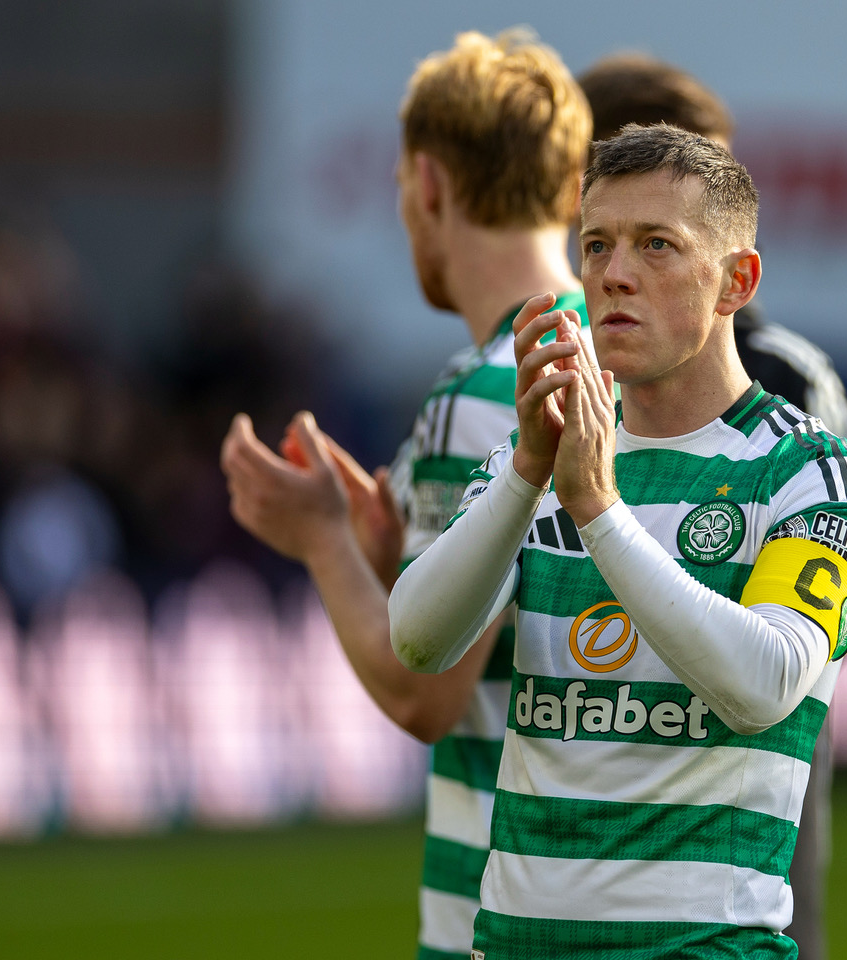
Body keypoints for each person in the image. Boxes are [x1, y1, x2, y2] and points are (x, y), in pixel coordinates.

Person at [391, 124, 847, 959]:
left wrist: (597, 511)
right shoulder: (534, 455)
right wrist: (525, 476)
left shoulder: (809, 474)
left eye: (656, 244)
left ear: (736, 280)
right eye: (597, 244)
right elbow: (419, 640)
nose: (614, 273)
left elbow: (763, 685)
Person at [219, 30, 591, 960]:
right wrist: (395, 561)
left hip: (498, 912)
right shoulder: (623, 362)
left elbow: (425, 689)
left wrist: (324, 545)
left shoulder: (483, 392)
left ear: (428, 184)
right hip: (622, 892)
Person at [577, 52, 847, 957]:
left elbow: (807, 607)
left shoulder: (788, 384)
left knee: (769, 910)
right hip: (592, 760)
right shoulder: (566, 372)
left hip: (742, 737)